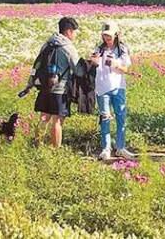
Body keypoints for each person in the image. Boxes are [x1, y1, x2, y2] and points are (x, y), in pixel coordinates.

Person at [32, 17, 84, 148]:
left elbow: (38, 63)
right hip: (60, 89)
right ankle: (55, 149)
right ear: (68, 31)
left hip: (45, 87)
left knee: (44, 117)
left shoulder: (47, 43)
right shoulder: (67, 47)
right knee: (57, 121)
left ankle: (37, 145)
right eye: (75, 31)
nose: (75, 34)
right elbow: (78, 70)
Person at [90, 21, 134, 160]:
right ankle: (106, 148)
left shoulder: (122, 49)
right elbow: (94, 65)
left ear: (116, 34)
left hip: (118, 87)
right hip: (102, 89)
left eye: (109, 35)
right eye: (104, 35)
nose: (107, 38)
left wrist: (116, 64)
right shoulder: (99, 49)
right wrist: (94, 62)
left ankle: (120, 147)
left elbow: (126, 69)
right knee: (105, 118)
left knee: (121, 117)